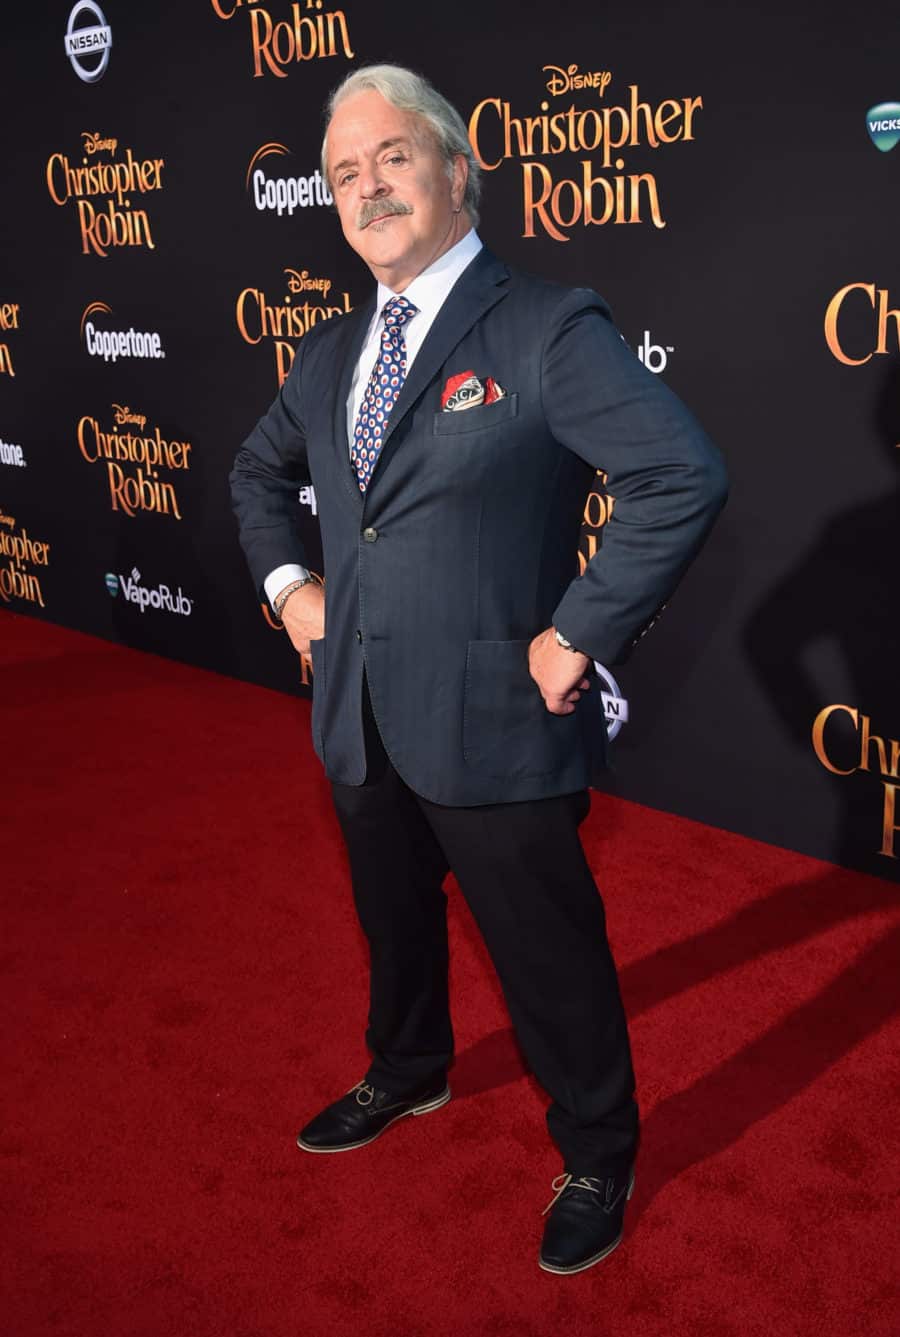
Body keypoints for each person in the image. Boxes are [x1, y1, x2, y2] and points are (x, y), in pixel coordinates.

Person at [230, 63, 728, 1274]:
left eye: (391, 157)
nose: (367, 187)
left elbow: (680, 474)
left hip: (496, 718)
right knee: (392, 923)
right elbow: (256, 476)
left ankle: (600, 1143)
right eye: (345, 173)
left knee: (547, 952)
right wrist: (297, 595)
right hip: (354, 707)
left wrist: (579, 629)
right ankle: (407, 1071)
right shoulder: (331, 347)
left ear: (458, 170)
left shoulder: (548, 325)